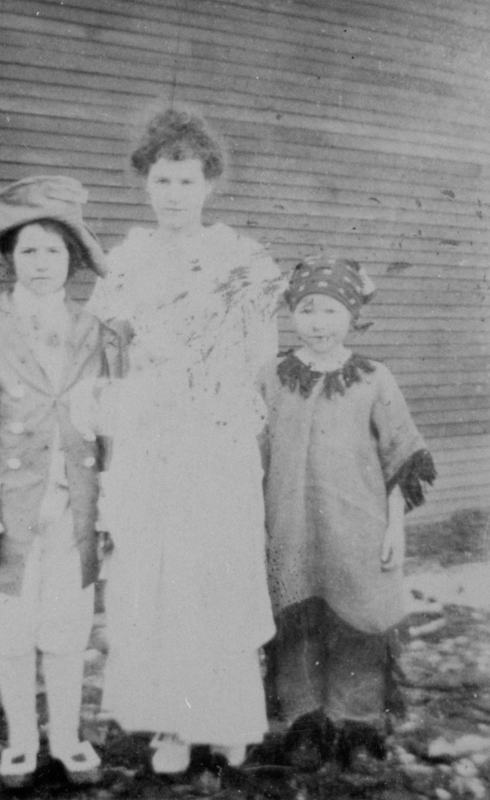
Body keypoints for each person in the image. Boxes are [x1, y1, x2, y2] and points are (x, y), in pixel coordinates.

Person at [88, 106, 285, 774]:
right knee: (160, 577)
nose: (174, 194)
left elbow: (262, 351)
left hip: (218, 437)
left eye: (187, 181)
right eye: (163, 181)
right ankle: (171, 724)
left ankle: (230, 718)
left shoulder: (241, 259)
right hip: (151, 439)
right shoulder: (126, 260)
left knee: (219, 572)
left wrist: (228, 408)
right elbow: (105, 352)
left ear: (208, 185)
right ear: (146, 183)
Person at [0, 176, 121, 788]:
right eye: (27, 250)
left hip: (76, 502)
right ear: (8, 257)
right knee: (9, 626)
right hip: (9, 505)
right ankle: (22, 741)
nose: (40, 263)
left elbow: (111, 423)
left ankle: (67, 735)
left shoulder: (96, 330)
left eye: (53, 251)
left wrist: (111, 506)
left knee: (67, 623)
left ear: (73, 260)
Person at [258, 256, 436, 767]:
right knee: (295, 623)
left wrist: (396, 527)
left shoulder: (374, 378)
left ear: (352, 316)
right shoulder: (270, 377)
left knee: (360, 621)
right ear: (293, 313)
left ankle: (356, 724)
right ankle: (304, 723)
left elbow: (401, 457)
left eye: (332, 310)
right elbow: (253, 456)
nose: (319, 322)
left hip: (358, 528)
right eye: (308, 309)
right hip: (288, 528)